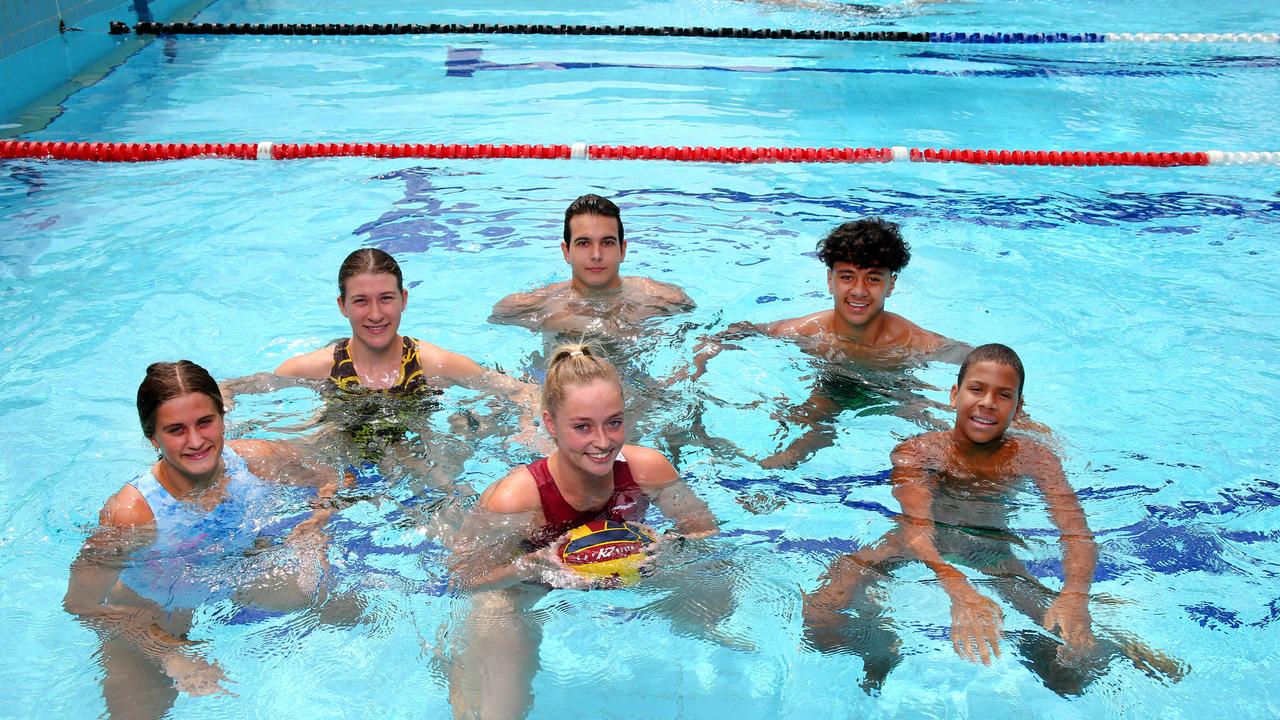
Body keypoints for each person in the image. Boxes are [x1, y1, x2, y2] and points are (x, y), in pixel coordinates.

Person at [800, 344, 1185, 695]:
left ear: (1018, 409)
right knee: (820, 621)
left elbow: (1077, 534)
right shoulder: (918, 453)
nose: (988, 403)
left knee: (1072, 670)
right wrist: (960, 591)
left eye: (1003, 396)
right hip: (907, 545)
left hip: (992, 552)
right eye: (977, 389)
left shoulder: (1034, 458)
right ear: (955, 395)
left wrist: (1075, 597)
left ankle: (1114, 645)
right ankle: (879, 643)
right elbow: (918, 530)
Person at [446, 343, 719, 720]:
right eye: (582, 427)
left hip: (619, 569)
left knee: (719, 584)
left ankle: (698, 632)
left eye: (613, 422)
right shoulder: (514, 499)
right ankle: (464, 672)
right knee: (501, 708)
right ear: (550, 424)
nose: (603, 442)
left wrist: (671, 549)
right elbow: (463, 579)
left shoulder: (647, 470)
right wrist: (534, 567)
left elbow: (705, 532)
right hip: (521, 588)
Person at [63, 361, 341, 719]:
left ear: (222, 419)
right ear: (152, 438)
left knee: (344, 604)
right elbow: (80, 604)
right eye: (176, 430)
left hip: (239, 574)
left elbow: (331, 479)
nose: (196, 441)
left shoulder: (254, 460)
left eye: (205, 422)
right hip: (152, 609)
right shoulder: (132, 515)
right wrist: (169, 653)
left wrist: (313, 529)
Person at [677, 217, 970, 468]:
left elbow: (981, 362)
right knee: (788, 452)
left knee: (948, 438)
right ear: (830, 280)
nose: (858, 291)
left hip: (894, 391)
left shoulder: (917, 341)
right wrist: (701, 359)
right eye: (847, 277)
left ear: (890, 285)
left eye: (872, 279)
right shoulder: (805, 329)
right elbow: (740, 331)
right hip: (831, 386)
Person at [223, 248, 540, 464]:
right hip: (337, 453)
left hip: (413, 453)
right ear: (342, 306)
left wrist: (528, 425)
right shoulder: (316, 367)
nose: (375, 314)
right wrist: (226, 402)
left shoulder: (435, 363)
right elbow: (234, 387)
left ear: (403, 300)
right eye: (361, 301)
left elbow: (523, 391)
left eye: (386, 299)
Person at [489, 194, 695, 344]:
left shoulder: (664, 300)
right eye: (583, 243)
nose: (596, 255)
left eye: (607, 242)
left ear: (622, 250)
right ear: (566, 252)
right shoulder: (531, 306)